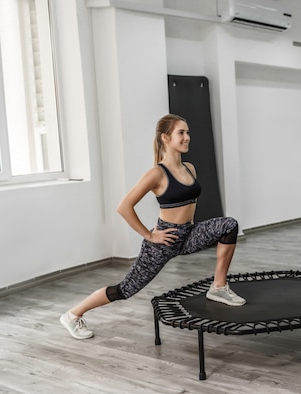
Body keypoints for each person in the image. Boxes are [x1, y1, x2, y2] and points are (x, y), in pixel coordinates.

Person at [60, 114, 245, 340]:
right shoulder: (157, 173)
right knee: (124, 290)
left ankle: (218, 287)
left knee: (229, 225)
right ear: (166, 137)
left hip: (188, 234)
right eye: (181, 133)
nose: (187, 137)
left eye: (188, 133)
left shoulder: (189, 168)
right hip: (164, 241)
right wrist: (150, 235)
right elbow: (124, 206)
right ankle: (72, 315)